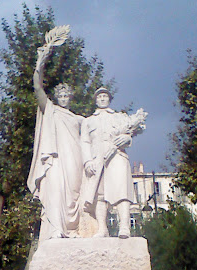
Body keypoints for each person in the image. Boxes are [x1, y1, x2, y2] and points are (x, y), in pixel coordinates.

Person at [27, 46, 83, 241]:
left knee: (74, 195)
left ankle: (74, 229)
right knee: (56, 191)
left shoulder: (78, 119)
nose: (64, 98)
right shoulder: (51, 110)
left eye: (67, 95)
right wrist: (39, 65)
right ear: (57, 98)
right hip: (56, 158)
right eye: (61, 95)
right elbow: (37, 89)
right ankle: (56, 229)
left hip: (75, 160)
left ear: (71, 97)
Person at [81, 87, 147, 238]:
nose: (102, 99)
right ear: (95, 100)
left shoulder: (120, 117)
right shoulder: (88, 121)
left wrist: (127, 139)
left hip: (117, 156)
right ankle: (102, 228)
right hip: (97, 159)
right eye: (99, 96)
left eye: (105, 96)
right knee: (99, 194)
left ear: (109, 99)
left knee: (121, 190)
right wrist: (87, 162)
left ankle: (124, 227)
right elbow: (84, 142)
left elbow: (129, 136)